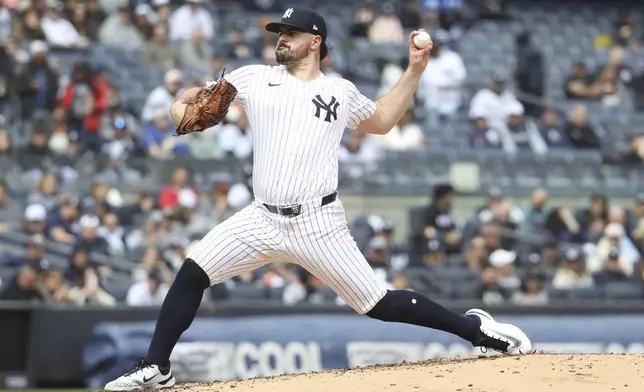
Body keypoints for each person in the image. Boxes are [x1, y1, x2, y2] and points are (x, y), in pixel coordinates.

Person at [104, 7, 532, 391]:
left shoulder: (340, 91)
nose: (281, 38)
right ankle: (157, 366)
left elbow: (382, 121)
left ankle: (477, 330)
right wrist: (184, 103)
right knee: (193, 271)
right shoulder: (253, 77)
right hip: (261, 218)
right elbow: (186, 113)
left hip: (317, 222)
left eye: (291, 32)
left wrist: (415, 70)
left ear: (316, 41)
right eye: (279, 31)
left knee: (378, 304)